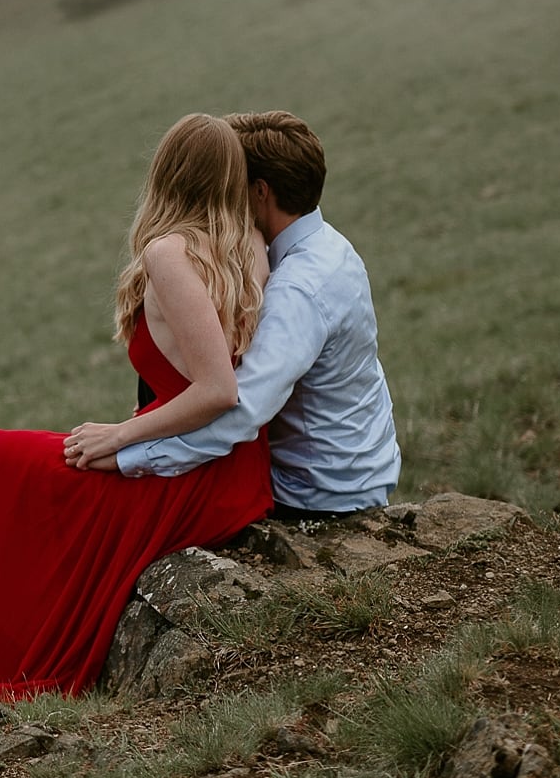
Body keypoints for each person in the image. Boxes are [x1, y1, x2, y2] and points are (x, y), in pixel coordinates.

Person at [0, 113, 276, 700]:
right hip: (230, 468)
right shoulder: (249, 244)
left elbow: (217, 390)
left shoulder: (170, 252)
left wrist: (118, 437)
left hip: (193, 474)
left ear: (165, 173)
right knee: (17, 471)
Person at [100, 111, 400, 519]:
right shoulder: (331, 246)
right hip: (358, 463)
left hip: (316, 491)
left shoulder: (298, 289)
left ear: (259, 191)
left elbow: (242, 409)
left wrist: (124, 452)